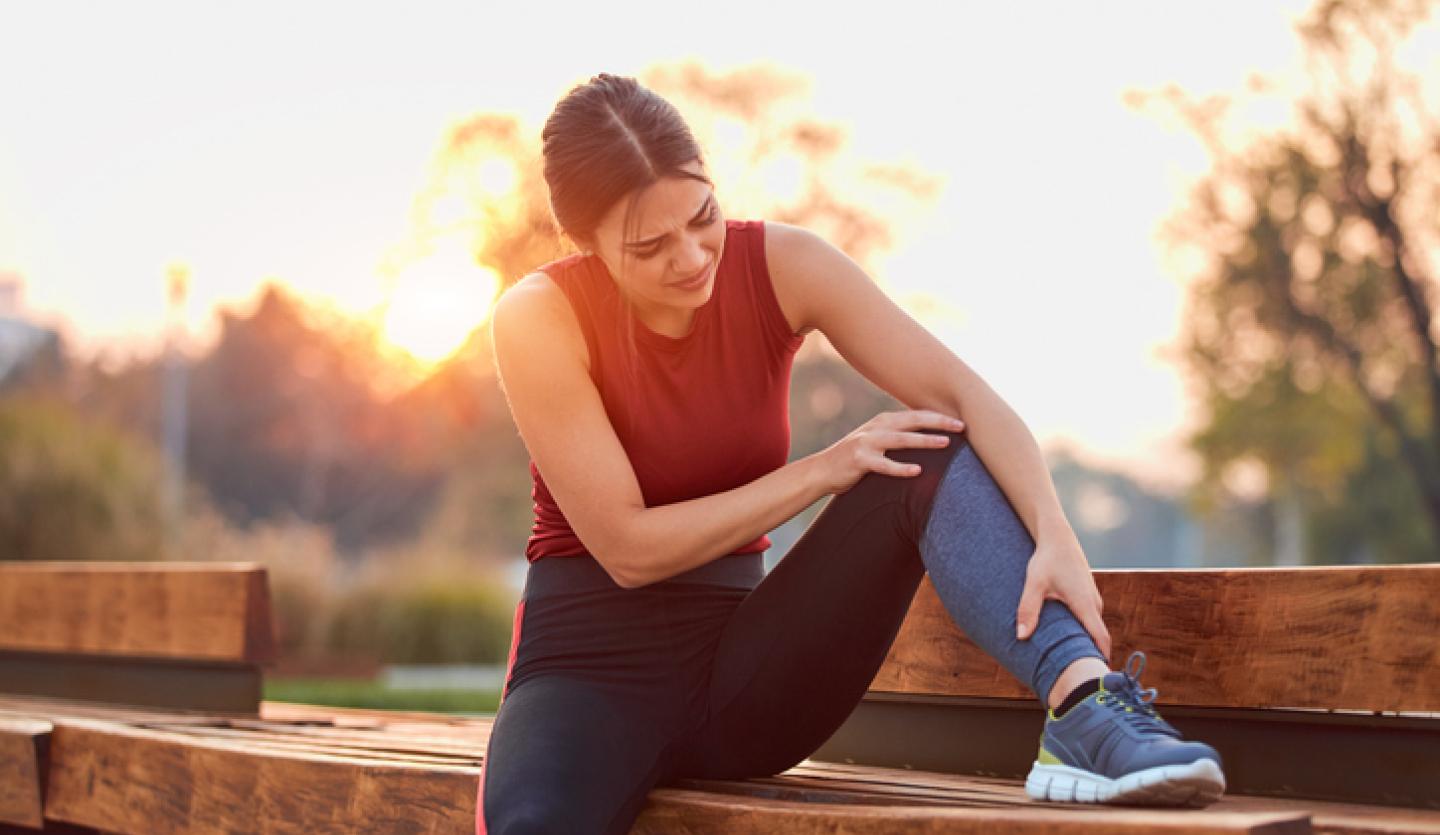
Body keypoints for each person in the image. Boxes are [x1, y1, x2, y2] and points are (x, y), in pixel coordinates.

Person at [477, 72, 1225, 834]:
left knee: (922, 447)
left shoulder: (781, 265)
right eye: (651, 245)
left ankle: (1085, 711)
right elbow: (628, 547)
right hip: (583, 679)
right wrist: (825, 468)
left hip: (748, 676)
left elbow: (966, 399)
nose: (694, 255)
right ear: (586, 245)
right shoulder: (540, 316)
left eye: (703, 216)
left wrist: (1054, 531)